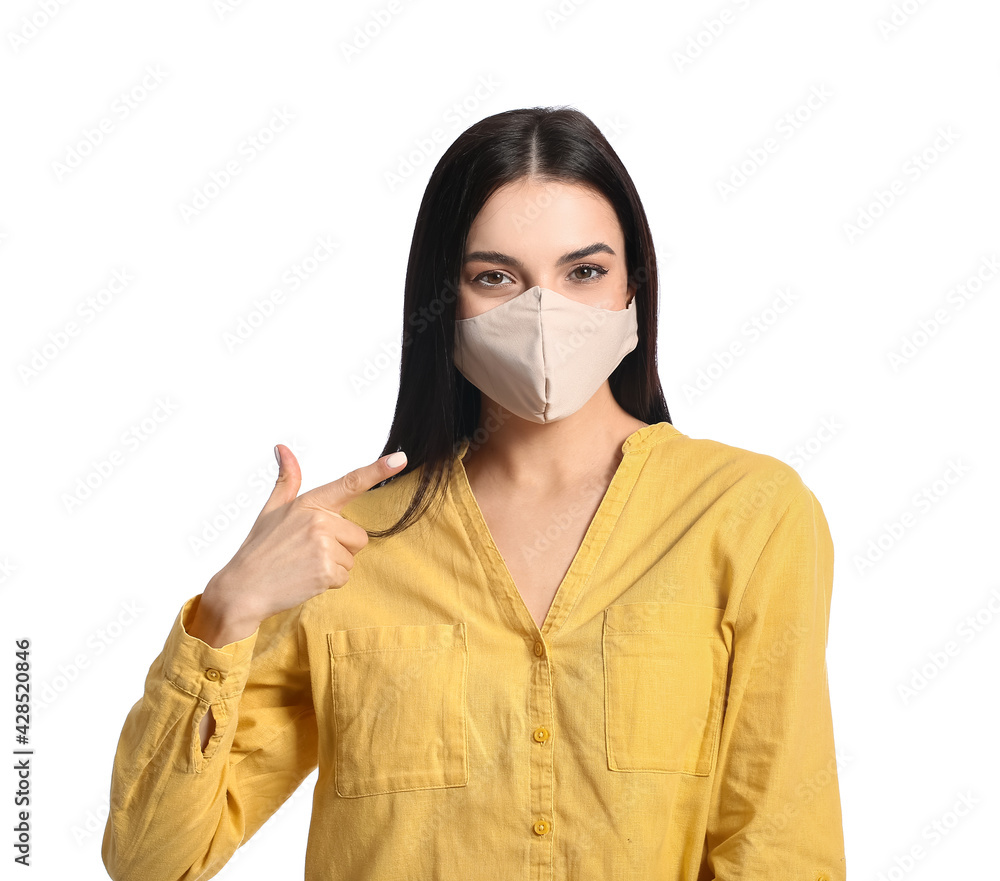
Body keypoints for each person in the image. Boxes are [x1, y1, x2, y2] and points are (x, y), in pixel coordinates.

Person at [101, 106, 847, 880]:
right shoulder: (342, 545)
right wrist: (230, 607)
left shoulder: (750, 513)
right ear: (443, 299)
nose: (543, 312)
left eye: (583, 272)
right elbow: (152, 861)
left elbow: (780, 847)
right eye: (496, 277)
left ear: (633, 288)